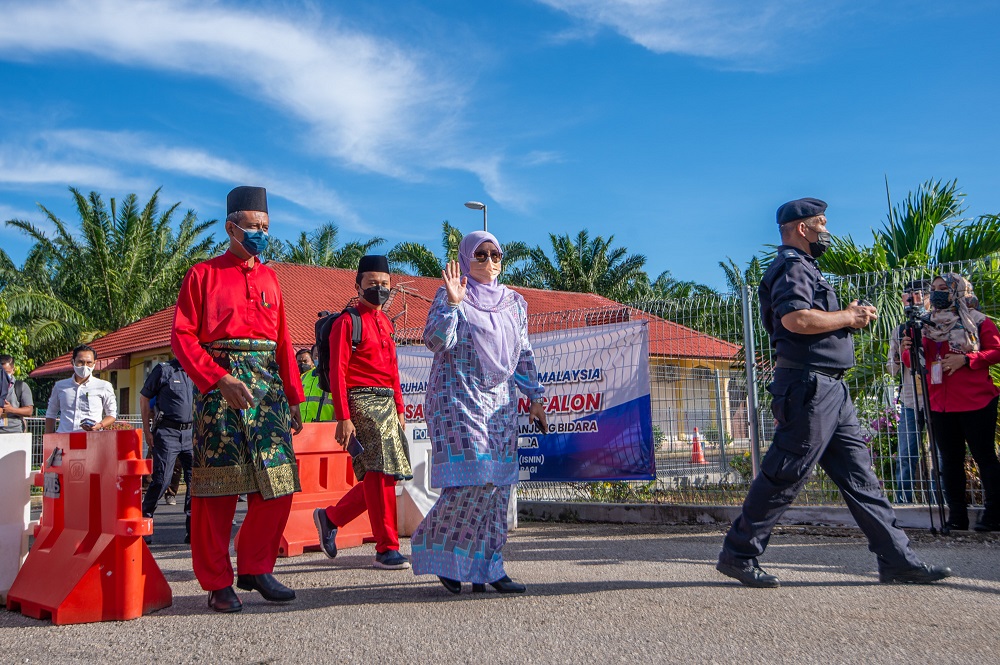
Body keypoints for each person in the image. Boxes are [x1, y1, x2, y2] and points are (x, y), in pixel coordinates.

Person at [716, 197, 951, 588]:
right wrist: (849, 316)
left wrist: (845, 320)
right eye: (821, 223)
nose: (827, 230)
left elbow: (812, 319)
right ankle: (738, 554)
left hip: (830, 390)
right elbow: (796, 318)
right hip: (809, 388)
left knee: (862, 478)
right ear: (803, 228)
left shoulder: (806, 268)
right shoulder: (792, 267)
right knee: (784, 474)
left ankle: (897, 560)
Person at [172, 185, 305, 613]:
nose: (261, 233)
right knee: (217, 493)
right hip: (220, 391)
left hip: (268, 393)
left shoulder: (271, 278)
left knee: (279, 483)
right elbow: (182, 338)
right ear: (231, 228)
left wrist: (294, 396)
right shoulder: (202, 274)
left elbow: (284, 340)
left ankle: (255, 566)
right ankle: (217, 583)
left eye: (266, 226)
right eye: (253, 226)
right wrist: (218, 379)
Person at [409, 231, 548, 594]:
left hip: (498, 403)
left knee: (498, 485)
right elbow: (437, 341)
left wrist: (534, 396)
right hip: (457, 398)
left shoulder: (515, 303)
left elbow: (523, 352)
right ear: (466, 259)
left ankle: (489, 567)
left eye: (495, 255)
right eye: (481, 256)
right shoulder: (451, 293)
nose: (489, 262)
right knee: (472, 479)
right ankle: (441, 551)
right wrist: (453, 304)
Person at [312, 255, 413, 570]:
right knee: (380, 472)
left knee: (383, 474)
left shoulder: (385, 322)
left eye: (384, 284)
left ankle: (330, 518)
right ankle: (386, 547)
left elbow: (393, 370)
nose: (379, 289)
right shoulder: (347, 322)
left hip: (386, 403)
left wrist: (399, 408)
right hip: (361, 402)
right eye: (372, 284)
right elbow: (339, 372)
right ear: (358, 286)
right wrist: (343, 416)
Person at [902, 273, 1000, 532]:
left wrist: (967, 359)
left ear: (958, 290)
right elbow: (915, 364)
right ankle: (957, 517)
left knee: (984, 457)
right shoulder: (925, 325)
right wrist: (906, 348)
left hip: (975, 400)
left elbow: (996, 350)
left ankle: (994, 514)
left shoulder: (978, 321)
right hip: (939, 403)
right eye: (934, 289)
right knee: (950, 460)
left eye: (943, 288)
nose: (936, 293)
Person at [140, 358, 195, 544]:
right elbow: (144, 397)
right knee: (161, 480)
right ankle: (145, 521)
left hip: (191, 433)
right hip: (167, 432)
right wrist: (147, 430)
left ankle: (192, 530)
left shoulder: (197, 369)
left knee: (194, 482)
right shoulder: (164, 370)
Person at [886, 281, 930, 503]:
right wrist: (900, 352)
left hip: (937, 400)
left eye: (916, 295)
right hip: (910, 400)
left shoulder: (938, 325)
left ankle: (939, 501)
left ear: (927, 297)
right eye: (907, 296)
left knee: (939, 457)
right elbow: (891, 369)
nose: (911, 300)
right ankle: (903, 502)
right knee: (906, 455)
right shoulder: (899, 330)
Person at [44, 345, 117, 434]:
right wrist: (48, 438)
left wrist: (99, 425)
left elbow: (112, 414)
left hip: (91, 438)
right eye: (80, 362)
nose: (85, 366)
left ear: (94, 363)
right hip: (64, 437)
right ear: (73, 362)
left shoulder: (104, 386)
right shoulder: (60, 386)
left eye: (89, 362)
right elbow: (51, 413)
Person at [0, 354, 34, 434]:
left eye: (6, 372)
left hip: (14, 433)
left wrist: (11, 409)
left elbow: (29, 411)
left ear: (13, 370)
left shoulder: (21, 386)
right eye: (1, 373)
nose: (3, 376)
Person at [299, 349, 335, 422]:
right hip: (303, 427)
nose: (320, 357)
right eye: (316, 355)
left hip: (326, 428)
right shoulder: (303, 377)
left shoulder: (334, 377)